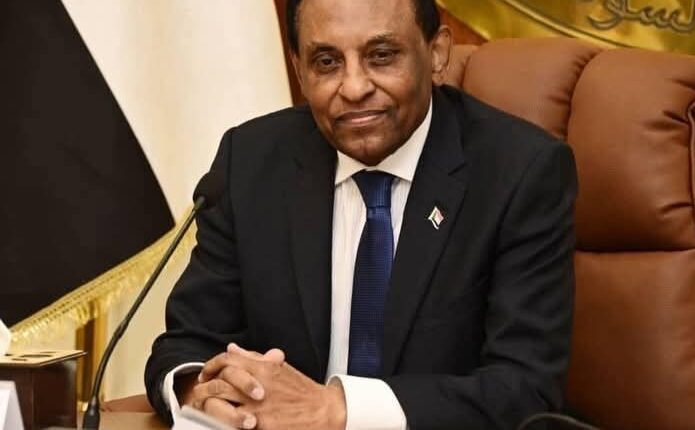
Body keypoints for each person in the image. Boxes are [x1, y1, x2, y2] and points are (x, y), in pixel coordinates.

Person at [145, 0, 577, 428]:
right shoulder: (251, 160)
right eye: (326, 62)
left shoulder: (520, 173)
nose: (353, 88)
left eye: (381, 56)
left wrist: (337, 409)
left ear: (437, 53)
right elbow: (188, 343)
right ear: (299, 70)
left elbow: (525, 389)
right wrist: (200, 393)